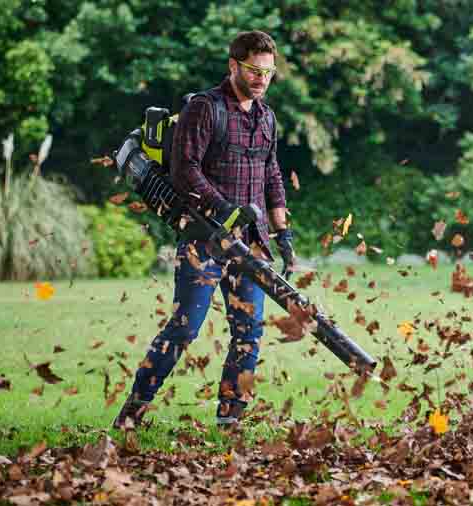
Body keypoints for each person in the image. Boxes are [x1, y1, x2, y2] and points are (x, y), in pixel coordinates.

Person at [113, 30, 295, 429]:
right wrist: (224, 209)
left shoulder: (267, 117)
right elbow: (184, 171)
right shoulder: (204, 109)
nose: (262, 78)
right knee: (183, 329)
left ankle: (229, 424)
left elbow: (271, 173)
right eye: (254, 70)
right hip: (204, 240)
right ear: (233, 66)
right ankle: (133, 412)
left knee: (248, 335)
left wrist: (283, 233)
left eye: (269, 72)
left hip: (250, 245)